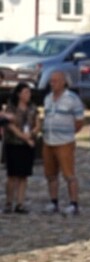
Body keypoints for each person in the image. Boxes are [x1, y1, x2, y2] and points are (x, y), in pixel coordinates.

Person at [41, 71, 85, 215]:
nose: (52, 83)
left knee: (69, 174)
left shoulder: (72, 99)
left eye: (55, 81)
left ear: (63, 82)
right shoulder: (48, 98)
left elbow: (79, 121)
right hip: (48, 141)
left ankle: (74, 203)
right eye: (51, 81)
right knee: (51, 174)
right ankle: (53, 201)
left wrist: (68, 132)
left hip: (64, 142)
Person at [3, 82, 39, 214]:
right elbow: (10, 126)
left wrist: (32, 133)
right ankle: (9, 202)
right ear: (19, 94)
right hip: (14, 144)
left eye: (29, 92)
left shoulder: (32, 107)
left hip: (27, 145)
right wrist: (24, 137)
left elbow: (37, 123)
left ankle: (20, 203)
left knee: (24, 175)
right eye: (25, 92)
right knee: (12, 175)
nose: (28, 95)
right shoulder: (11, 108)